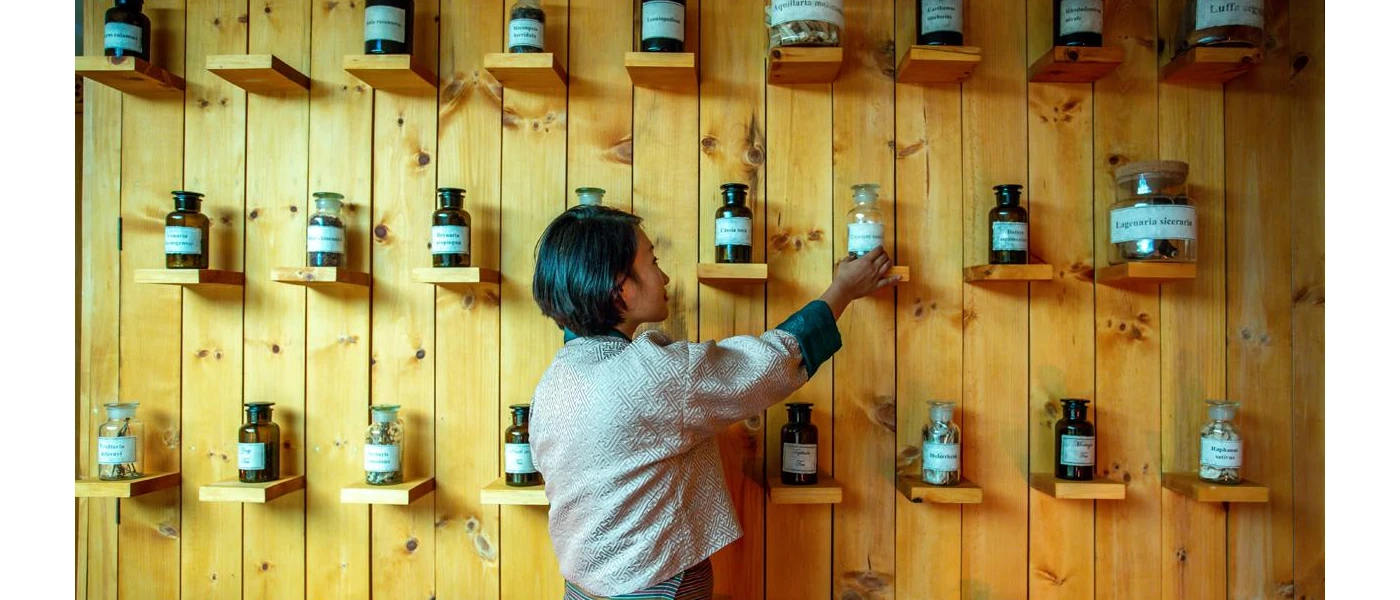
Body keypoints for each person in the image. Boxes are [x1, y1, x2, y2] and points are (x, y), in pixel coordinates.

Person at [528, 205, 898, 599]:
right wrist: (841, 290)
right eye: (653, 261)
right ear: (621, 287)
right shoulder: (655, 374)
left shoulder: (555, 380)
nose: (665, 276)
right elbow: (771, 363)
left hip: (582, 588)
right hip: (654, 587)